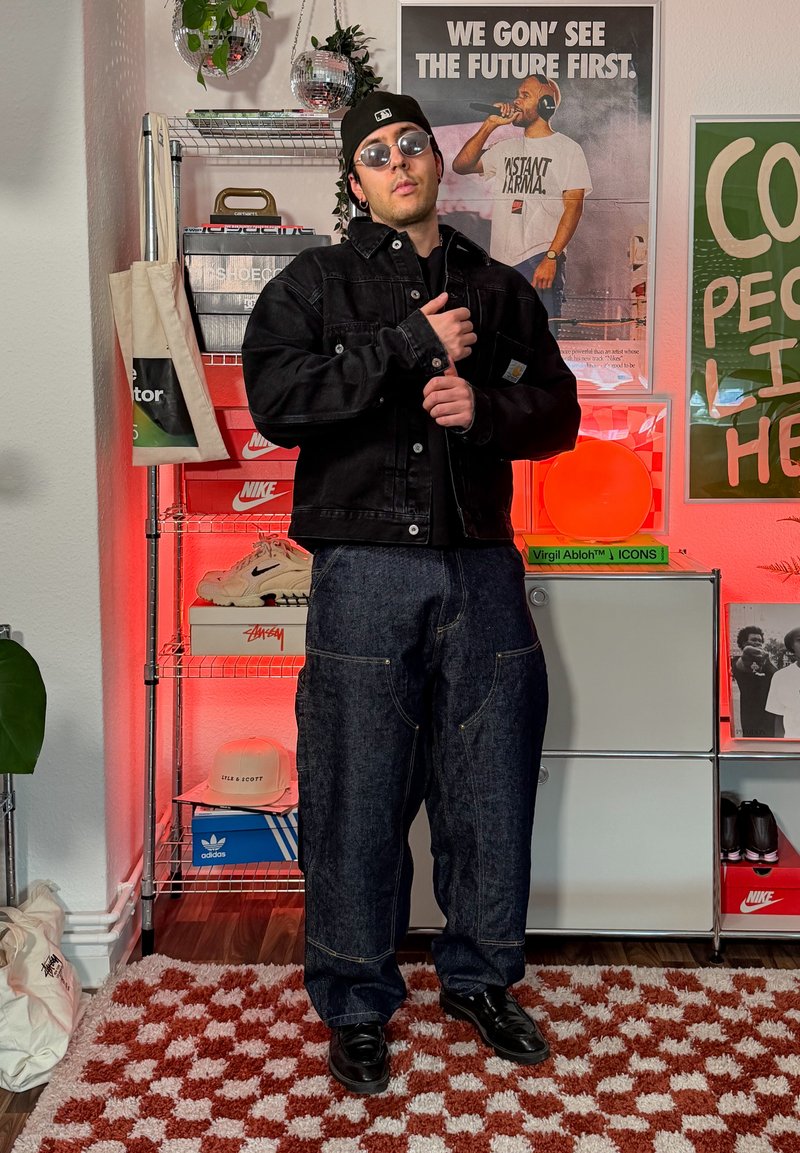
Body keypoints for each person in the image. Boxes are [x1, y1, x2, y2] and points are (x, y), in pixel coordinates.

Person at [242, 90, 580, 1096]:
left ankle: (481, 980)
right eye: (377, 154)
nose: (399, 163)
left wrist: (485, 407)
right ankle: (355, 1001)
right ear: (355, 181)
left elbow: (559, 410)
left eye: (412, 146)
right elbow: (277, 401)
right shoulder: (313, 284)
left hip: (482, 565)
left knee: (490, 786)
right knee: (355, 789)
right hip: (361, 570)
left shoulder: (500, 289)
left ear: (436, 162)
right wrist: (403, 347)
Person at [452, 74, 592, 329]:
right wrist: (490, 124)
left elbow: (574, 207)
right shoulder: (505, 148)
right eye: (517, 94)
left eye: (525, 96)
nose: (516, 101)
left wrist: (551, 257)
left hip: (539, 258)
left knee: (542, 339)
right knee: (504, 339)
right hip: (502, 264)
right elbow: (461, 165)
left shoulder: (568, 149)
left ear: (546, 104)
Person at [731, 625, 777, 737]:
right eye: (754, 640)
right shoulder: (737, 661)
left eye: (760, 641)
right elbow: (742, 664)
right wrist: (747, 655)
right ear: (743, 643)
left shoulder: (766, 662)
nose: (758, 643)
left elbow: (777, 676)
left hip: (770, 717)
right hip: (752, 719)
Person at [765, 627, 800, 738]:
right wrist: (780, 745)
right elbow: (778, 716)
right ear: (792, 646)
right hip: (792, 740)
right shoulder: (780, 676)